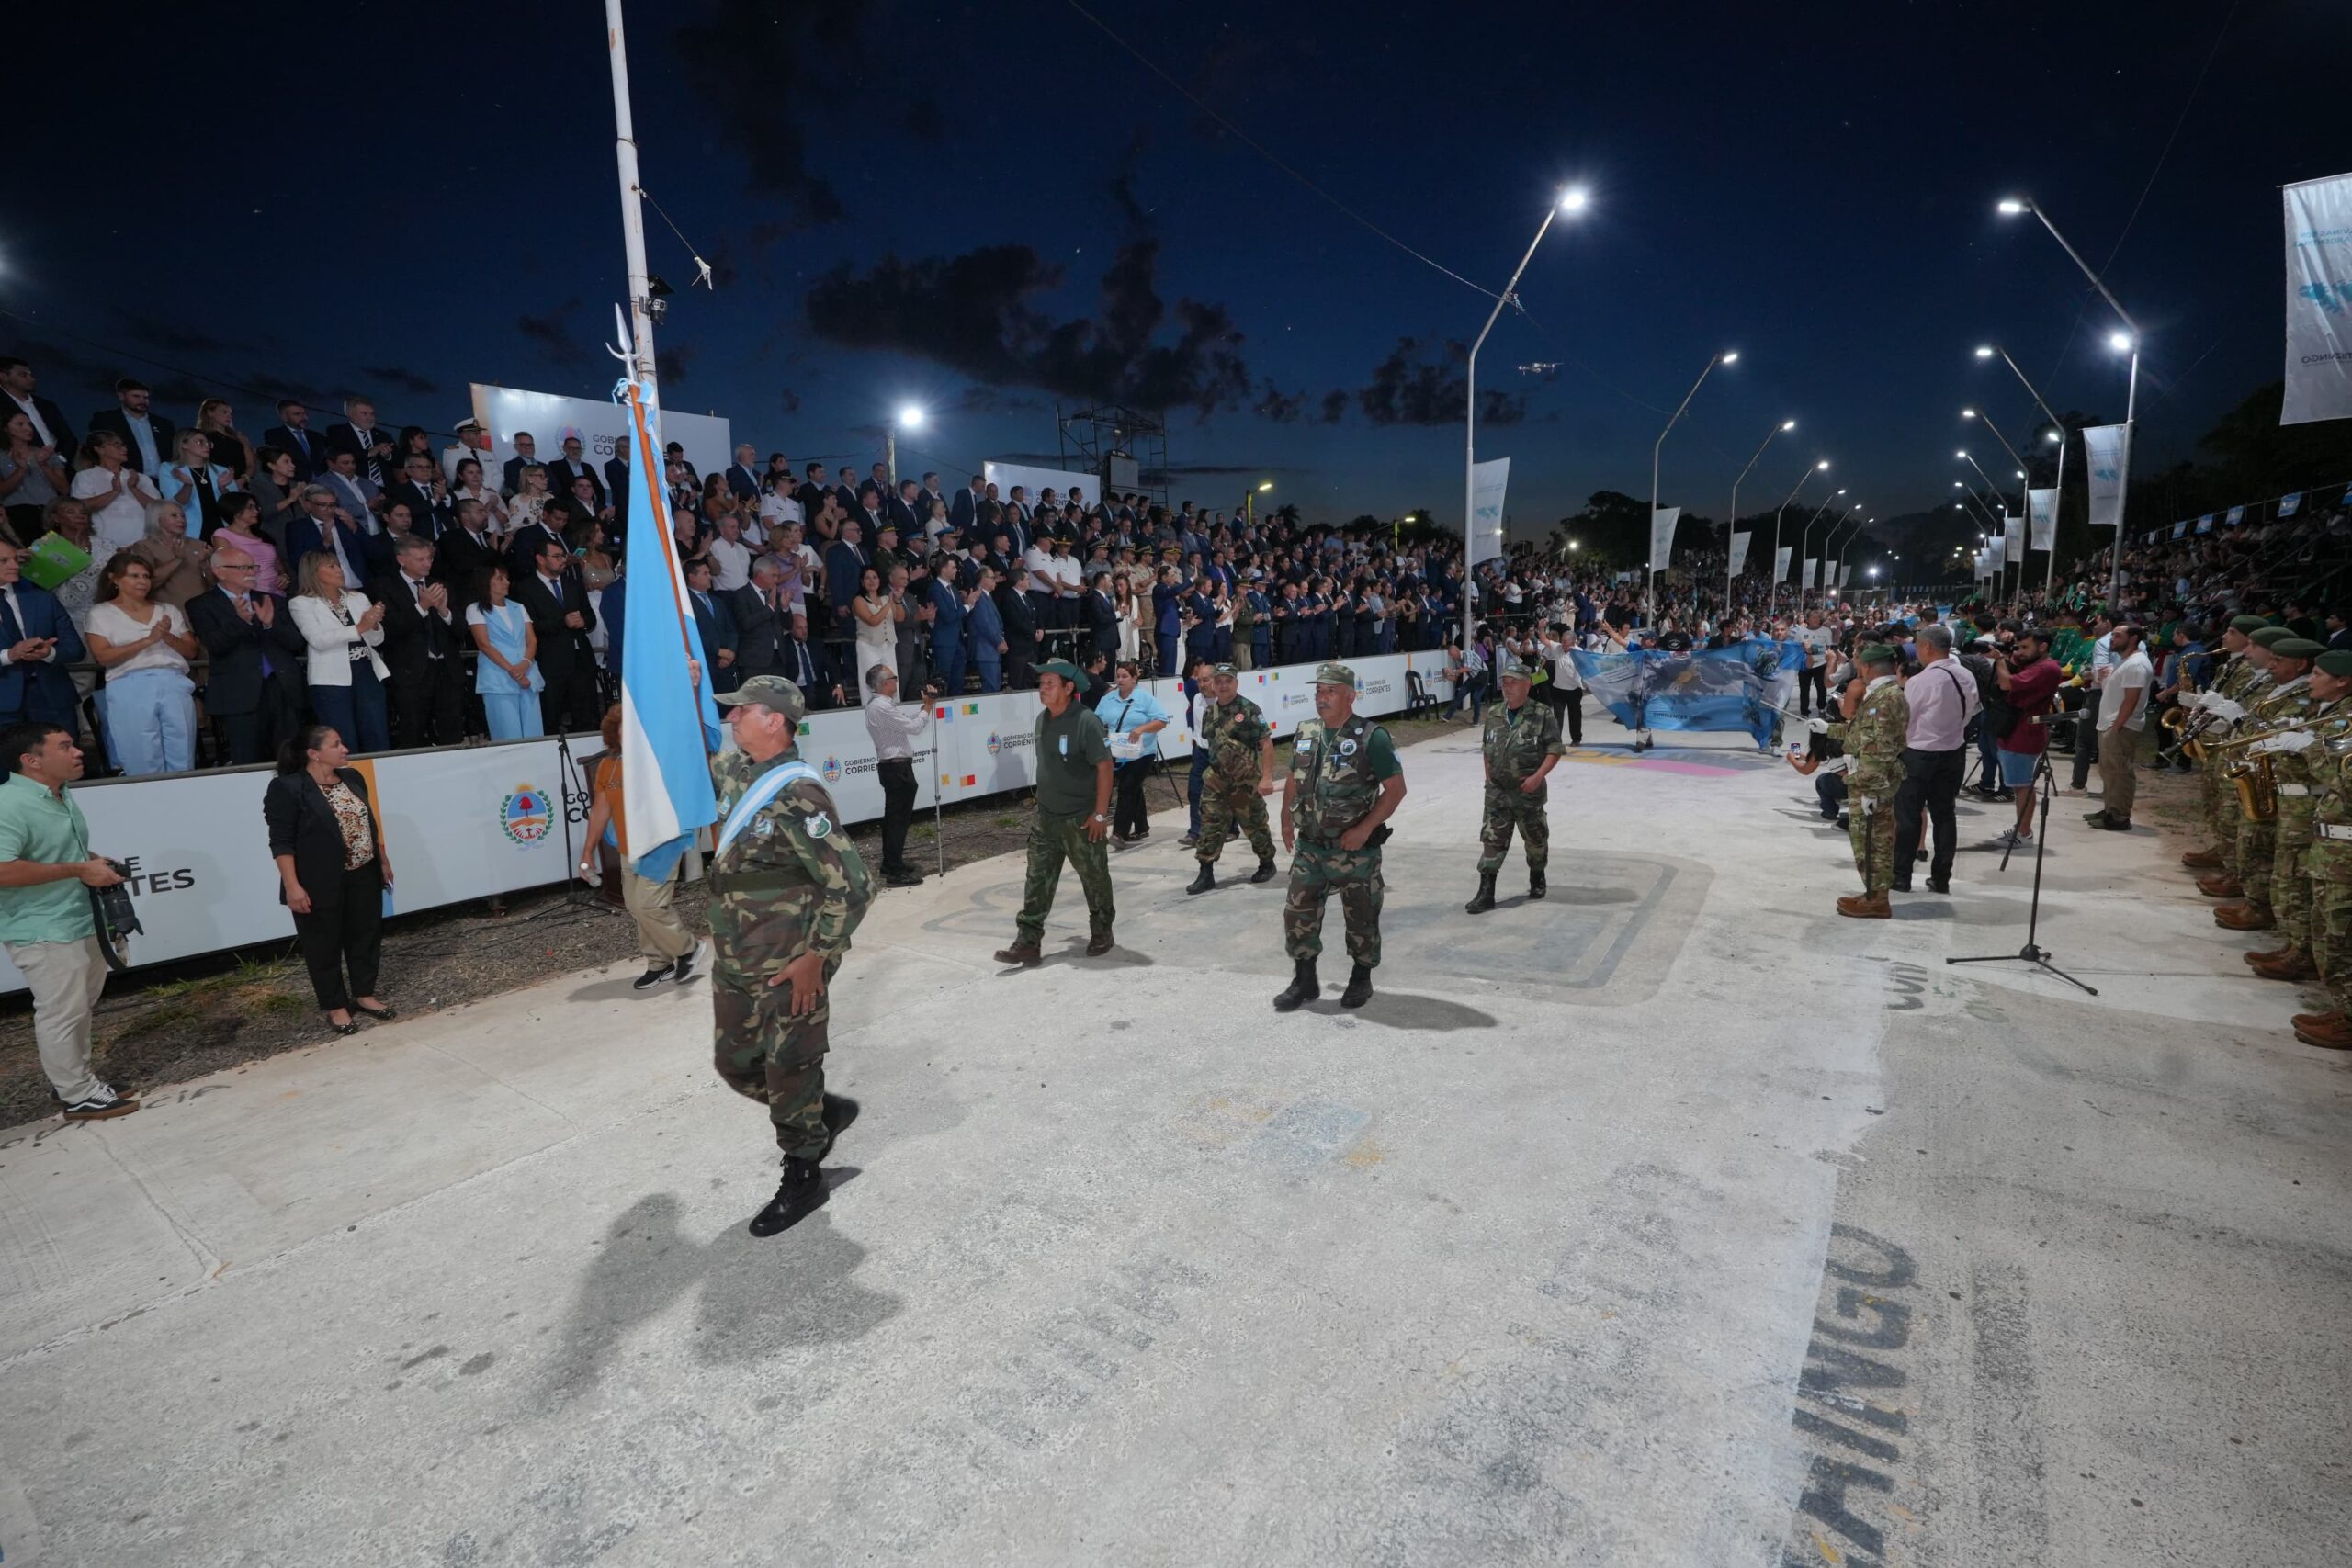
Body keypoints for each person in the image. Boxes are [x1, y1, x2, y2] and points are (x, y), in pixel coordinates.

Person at [706, 675, 872, 1238]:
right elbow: (684, 750)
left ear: (774, 720)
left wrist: (815, 959)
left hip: (788, 961)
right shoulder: (736, 770)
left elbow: (854, 886)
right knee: (734, 1064)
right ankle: (818, 1112)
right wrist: (682, 686)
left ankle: (804, 1174)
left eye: (742, 711)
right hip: (735, 955)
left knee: (789, 1066)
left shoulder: (799, 794)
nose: (732, 718)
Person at [0, 721, 135, 1119]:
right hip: (42, 928)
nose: (78, 752)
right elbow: (2, 869)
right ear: (32, 760)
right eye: (64, 746)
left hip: (78, 918)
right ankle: (77, 1094)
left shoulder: (61, 793)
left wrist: (92, 860)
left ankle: (76, 1081)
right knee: (61, 1012)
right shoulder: (8, 804)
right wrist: (78, 869)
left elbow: (57, 851)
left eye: (74, 744)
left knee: (78, 1007)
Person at [1276, 663, 1406, 1010]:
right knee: (1298, 914)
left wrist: (1364, 829)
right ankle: (1304, 980)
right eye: (1319, 690)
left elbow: (1396, 790)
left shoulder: (1372, 737)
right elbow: (1294, 775)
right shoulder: (1306, 731)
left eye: (1330, 691)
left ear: (1351, 696)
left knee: (1362, 916)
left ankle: (1361, 978)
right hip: (1310, 846)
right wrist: (1286, 818)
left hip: (1354, 851)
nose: (1322, 697)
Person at [264, 725, 395, 1036]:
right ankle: (336, 1006)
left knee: (365, 936)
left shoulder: (353, 778)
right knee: (322, 944)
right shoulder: (288, 787)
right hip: (316, 881)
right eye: (336, 745)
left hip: (363, 873)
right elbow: (281, 842)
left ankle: (364, 994)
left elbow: (368, 823)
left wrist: (383, 860)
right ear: (314, 754)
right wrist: (293, 886)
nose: (345, 749)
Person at [993, 659, 1116, 964]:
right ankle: (1028, 941)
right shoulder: (1042, 720)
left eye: (1050, 683)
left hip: (1081, 819)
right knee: (1036, 881)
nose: (1043, 688)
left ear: (1068, 687)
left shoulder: (1086, 721)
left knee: (1095, 879)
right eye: (1042, 683)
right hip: (1046, 818)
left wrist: (1100, 814)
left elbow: (1105, 767)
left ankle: (1102, 931)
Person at [2240, 650, 2352, 985]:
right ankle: (2297, 947)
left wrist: (2305, 746)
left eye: (2317, 674)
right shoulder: (2324, 708)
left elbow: (2336, 776)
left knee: (2305, 887)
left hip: (2322, 817)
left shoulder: (2345, 715)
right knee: (2291, 879)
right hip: (2310, 813)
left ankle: (2304, 955)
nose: (2310, 680)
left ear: (2342, 681)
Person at [579, 705, 706, 991]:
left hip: (661, 845)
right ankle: (659, 964)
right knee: (636, 906)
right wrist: (587, 851)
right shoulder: (608, 766)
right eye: (625, 727)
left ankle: (688, 948)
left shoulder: (659, 761)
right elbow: (600, 811)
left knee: (649, 904)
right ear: (614, 732)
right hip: (629, 848)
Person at [2215, 630, 2315, 933]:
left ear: (2300, 664)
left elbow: (2270, 732)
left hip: (2284, 785)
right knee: (2252, 844)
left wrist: (2242, 721)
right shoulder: (2280, 688)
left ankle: (2262, 909)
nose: (2271, 665)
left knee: (2264, 850)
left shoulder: (2302, 696)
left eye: (2278, 660)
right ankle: (2255, 902)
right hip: (2262, 774)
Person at [1465, 655, 1566, 912]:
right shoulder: (1495, 714)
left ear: (1527, 685)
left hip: (1528, 792)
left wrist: (1538, 777)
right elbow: (1487, 747)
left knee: (1535, 840)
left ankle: (1537, 875)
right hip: (1497, 793)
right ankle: (1486, 892)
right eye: (1504, 682)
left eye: (1514, 682)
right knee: (1492, 840)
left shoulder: (1541, 714)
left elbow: (1554, 749)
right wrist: (1488, 776)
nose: (1507, 687)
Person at [85, 555, 199, 775]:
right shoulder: (100, 613)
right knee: (140, 754)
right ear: (114, 579)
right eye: (134, 576)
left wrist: (168, 638)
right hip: (129, 685)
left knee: (182, 751)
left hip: (172, 682)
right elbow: (103, 656)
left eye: (146, 576)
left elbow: (191, 650)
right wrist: (149, 640)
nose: (142, 581)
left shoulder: (167, 609)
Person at [188, 548, 305, 764]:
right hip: (239, 694)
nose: (251, 572)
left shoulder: (272, 600)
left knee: (291, 758)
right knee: (247, 761)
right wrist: (240, 621)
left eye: (253, 567)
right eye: (244, 568)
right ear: (219, 571)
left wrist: (270, 625)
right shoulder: (201, 605)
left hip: (282, 688)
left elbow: (296, 643)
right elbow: (215, 645)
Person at [1818, 643, 1907, 918]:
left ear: (1867, 667)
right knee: (1868, 839)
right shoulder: (1885, 693)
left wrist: (1870, 790)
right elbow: (1864, 733)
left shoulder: (1884, 698)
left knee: (1873, 841)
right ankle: (1872, 891)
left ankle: (1877, 900)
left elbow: (1877, 747)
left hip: (1873, 781)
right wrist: (1829, 729)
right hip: (1872, 778)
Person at [1890, 624, 1979, 894]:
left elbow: (1905, 720)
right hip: (1953, 752)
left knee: (1908, 816)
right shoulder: (1965, 675)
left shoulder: (1920, 681)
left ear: (1927, 647)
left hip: (1919, 754)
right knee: (1945, 815)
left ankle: (1901, 876)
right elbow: (1970, 712)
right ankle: (1941, 878)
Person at [1187, 662, 1278, 894]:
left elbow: (1267, 745)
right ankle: (1205, 872)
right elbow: (1208, 746)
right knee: (1209, 825)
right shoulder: (1210, 713)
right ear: (1213, 685)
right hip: (1217, 781)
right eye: (1218, 681)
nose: (1223, 685)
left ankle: (1267, 862)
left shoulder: (1249, 710)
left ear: (1236, 683)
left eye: (1228, 681)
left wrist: (1267, 778)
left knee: (1254, 824)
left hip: (1244, 782)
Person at [289, 551, 392, 755]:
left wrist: (373, 625)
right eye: (331, 566)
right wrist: (360, 627)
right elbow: (318, 640)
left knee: (376, 733)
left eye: (338, 565)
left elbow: (376, 640)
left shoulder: (358, 597)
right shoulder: (301, 603)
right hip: (330, 679)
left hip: (366, 671)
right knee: (342, 738)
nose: (339, 570)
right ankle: (346, 774)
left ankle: (380, 773)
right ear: (313, 572)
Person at [378, 534, 466, 749]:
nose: (427, 563)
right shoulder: (385, 586)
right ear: (401, 559)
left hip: (447, 669)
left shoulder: (440, 585)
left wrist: (444, 611)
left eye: (429, 558)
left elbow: (461, 630)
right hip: (410, 672)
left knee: (452, 731)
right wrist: (422, 607)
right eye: (420, 559)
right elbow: (389, 629)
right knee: (413, 731)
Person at [0, 538, 88, 731]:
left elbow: (75, 650)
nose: (15, 565)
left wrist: (49, 653)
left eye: (16, 559)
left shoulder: (43, 599)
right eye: (3, 561)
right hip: (3, 706)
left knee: (65, 750)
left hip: (52, 698)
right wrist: (9, 655)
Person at [861, 661, 934, 887]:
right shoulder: (881, 706)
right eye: (893, 678)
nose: (897, 681)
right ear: (884, 683)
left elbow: (906, 723)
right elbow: (914, 728)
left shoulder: (882, 705)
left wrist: (923, 708)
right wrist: (928, 707)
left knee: (895, 818)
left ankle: (892, 862)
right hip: (896, 768)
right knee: (897, 820)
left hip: (895, 767)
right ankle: (894, 870)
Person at [514, 536, 599, 733]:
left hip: (580, 658)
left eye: (563, 556)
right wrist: (563, 622)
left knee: (587, 716)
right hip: (550, 662)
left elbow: (590, 616)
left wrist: (584, 621)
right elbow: (530, 626)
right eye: (557, 556)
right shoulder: (526, 588)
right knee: (551, 717)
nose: (563, 560)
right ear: (540, 559)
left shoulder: (573, 583)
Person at [1990, 627, 2064, 848]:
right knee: (2018, 785)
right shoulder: (2034, 665)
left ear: (2043, 647)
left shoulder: (2046, 668)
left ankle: (2023, 833)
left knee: (2022, 786)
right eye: (2018, 647)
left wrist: (1999, 660)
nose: (2019, 652)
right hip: (2015, 730)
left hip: (2023, 735)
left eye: (2025, 647)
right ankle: (2021, 828)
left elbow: (2006, 683)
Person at [2085, 623, 2154, 832]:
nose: (2112, 639)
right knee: (2109, 771)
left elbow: (2131, 700)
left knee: (2120, 772)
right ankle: (2110, 809)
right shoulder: (2126, 661)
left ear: (2133, 639)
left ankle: (2119, 816)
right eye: (2112, 635)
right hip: (2111, 722)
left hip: (2121, 725)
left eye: (2117, 636)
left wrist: (2116, 727)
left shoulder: (2136, 664)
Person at [1095, 660, 1170, 845]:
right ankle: (1142, 827)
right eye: (1118, 676)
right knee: (1133, 787)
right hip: (1118, 752)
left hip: (1142, 753)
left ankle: (1119, 833)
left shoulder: (1145, 698)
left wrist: (1141, 729)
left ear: (1135, 678)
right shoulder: (1108, 699)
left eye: (1125, 676)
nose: (1120, 680)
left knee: (1126, 789)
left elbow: (1162, 720)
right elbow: (1096, 720)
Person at [468, 564, 544, 740]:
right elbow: (484, 644)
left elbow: (531, 640)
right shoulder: (475, 609)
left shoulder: (518, 607)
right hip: (498, 677)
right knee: (507, 733)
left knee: (534, 732)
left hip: (528, 674)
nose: (507, 582)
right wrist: (514, 671)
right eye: (500, 578)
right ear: (486, 582)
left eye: (506, 578)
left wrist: (525, 664)